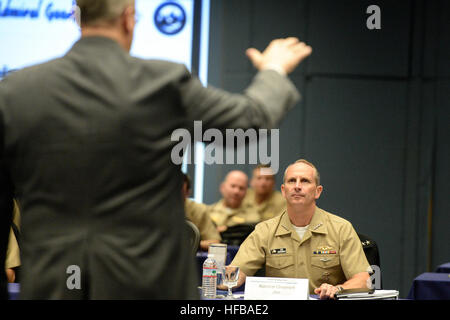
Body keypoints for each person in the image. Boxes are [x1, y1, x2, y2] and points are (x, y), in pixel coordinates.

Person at [0, 0, 312, 299]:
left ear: (76, 18)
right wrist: (274, 69)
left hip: (52, 284)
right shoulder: (162, 83)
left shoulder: (17, 90)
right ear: (128, 17)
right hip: (144, 283)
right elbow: (246, 124)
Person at [228, 159, 371, 299]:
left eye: (305, 181)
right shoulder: (265, 230)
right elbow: (235, 274)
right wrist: (217, 276)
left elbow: (363, 280)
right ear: (283, 191)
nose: (297, 186)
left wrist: (338, 289)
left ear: (317, 191)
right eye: (291, 181)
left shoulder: (341, 228)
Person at [182, 174, 221, 251]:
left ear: (187, 193)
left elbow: (215, 243)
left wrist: (192, 243)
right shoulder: (155, 208)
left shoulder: (198, 210)